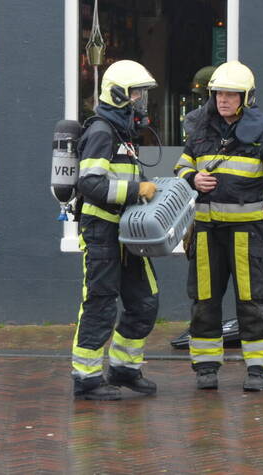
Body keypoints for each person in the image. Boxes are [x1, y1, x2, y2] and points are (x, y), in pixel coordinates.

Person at [175, 61, 263, 392]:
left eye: (231, 94)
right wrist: (192, 178)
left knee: (251, 300)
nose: (224, 100)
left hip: (246, 233)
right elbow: (182, 166)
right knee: (204, 300)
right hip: (206, 232)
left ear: (246, 98)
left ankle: (260, 369)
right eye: (219, 94)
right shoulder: (200, 128)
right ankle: (205, 367)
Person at [71, 59, 160, 401]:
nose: (140, 100)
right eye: (136, 93)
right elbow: (90, 182)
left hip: (128, 234)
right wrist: (136, 191)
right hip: (101, 233)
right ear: (119, 94)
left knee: (145, 302)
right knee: (100, 303)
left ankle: (124, 368)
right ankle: (87, 378)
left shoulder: (123, 134)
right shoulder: (101, 132)